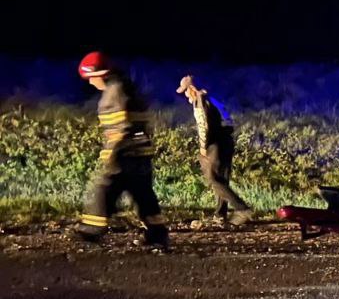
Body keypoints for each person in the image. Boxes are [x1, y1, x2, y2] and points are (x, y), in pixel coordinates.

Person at [76, 52, 169, 248]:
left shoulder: (114, 92)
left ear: (100, 74)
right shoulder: (130, 89)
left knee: (103, 188)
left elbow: (120, 128)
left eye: (91, 79)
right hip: (141, 153)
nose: (92, 83)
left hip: (124, 154)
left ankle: (92, 229)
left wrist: (111, 154)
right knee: (143, 194)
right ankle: (157, 233)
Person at [176, 74, 251, 226]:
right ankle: (220, 214)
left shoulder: (199, 100)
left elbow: (204, 126)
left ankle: (242, 209)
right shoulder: (212, 98)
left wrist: (203, 147)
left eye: (185, 90)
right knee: (222, 178)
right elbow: (228, 118)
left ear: (192, 88)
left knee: (213, 178)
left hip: (214, 142)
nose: (185, 94)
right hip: (226, 139)